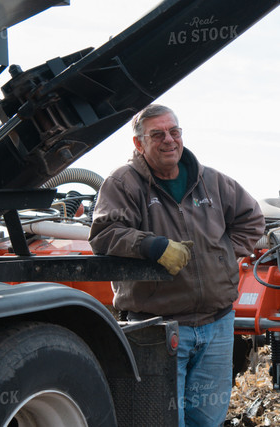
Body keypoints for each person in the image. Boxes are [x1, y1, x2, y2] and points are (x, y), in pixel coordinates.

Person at [89, 104, 265, 427]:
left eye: (174, 132)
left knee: (207, 420)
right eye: (157, 134)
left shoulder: (210, 180)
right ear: (139, 144)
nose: (169, 140)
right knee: (164, 420)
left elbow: (252, 219)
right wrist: (152, 246)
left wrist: (223, 253)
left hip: (217, 324)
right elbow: (104, 234)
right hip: (158, 327)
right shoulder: (124, 184)